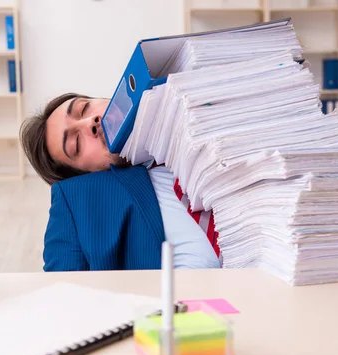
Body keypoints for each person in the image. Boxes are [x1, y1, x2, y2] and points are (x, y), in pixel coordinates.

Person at [20, 93, 221, 272]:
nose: (90, 122)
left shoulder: (192, 115)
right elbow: (63, 297)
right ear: (83, 175)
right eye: (76, 144)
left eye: (84, 108)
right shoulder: (79, 200)